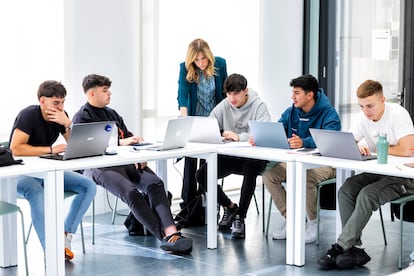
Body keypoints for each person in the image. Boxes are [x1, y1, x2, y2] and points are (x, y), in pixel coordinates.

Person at [72, 74, 193, 254]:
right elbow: (86, 148)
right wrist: (122, 144)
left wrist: (139, 152)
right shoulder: (82, 117)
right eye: (105, 90)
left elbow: (128, 138)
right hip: (99, 167)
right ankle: (165, 237)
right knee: (131, 193)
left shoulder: (112, 114)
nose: (109, 94)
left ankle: (171, 231)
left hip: (125, 162)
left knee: (155, 183)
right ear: (91, 94)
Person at [318, 80, 414, 270]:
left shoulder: (398, 114)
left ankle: (341, 246)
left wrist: (374, 149)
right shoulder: (364, 117)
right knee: (346, 189)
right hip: (379, 172)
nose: (366, 111)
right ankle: (354, 248)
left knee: (367, 194)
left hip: (405, 177)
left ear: (383, 100)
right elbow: (350, 141)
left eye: (370, 106)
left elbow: (408, 148)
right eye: (361, 106)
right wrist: (358, 146)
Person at [9, 80, 97, 260]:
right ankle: (51, 250)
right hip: (20, 174)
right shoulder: (28, 115)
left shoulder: (60, 116)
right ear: (42, 101)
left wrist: (68, 123)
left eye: (63, 102)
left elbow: (76, 144)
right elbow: (15, 148)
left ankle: (64, 236)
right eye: (56, 102)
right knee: (36, 191)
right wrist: (50, 150)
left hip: (46, 171)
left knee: (88, 185)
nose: (60, 106)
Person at [259, 74, 341, 244]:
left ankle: (313, 223)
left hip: (325, 163)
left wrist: (305, 142)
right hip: (295, 162)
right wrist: (262, 137)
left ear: (309, 95)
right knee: (268, 175)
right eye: (292, 92)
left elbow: (331, 140)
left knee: (307, 177)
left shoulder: (329, 113)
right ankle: (292, 219)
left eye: (297, 93)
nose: (292, 97)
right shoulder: (291, 112)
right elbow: (278, 130)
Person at [195, 73, 270, 239]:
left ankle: (240, 217)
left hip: (255, 158)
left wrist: (239, 136)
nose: (232, 98)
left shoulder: (258, 106)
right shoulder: (225, 104)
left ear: (245, 91)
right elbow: (208, 124)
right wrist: (218, 134)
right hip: (233, 155)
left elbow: (264, 135)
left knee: (250, 168)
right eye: (228, 94)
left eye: (235, 93)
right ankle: (229, 206)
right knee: (202, 175)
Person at [177, 38, 228, 218]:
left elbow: (225, 94)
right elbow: (182, 96)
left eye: (203, 59)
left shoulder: (220, 64)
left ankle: (209, 202)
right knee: (190, 162)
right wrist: (184, 120)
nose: (200, 63)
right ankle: (189, 206)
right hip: (194, 121)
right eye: (196, 60)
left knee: (209, 164)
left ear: (209, 56)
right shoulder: (185, 67)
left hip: (214, 122)